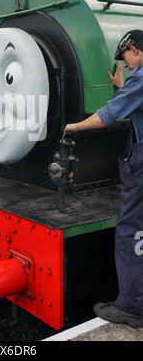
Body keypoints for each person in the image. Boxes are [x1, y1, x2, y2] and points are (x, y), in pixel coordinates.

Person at [65, 30, 143, 328]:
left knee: (132, 232)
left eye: (125, 55)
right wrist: (124, 87)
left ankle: (133, 308)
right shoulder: (137, 82)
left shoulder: (141, 78)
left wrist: (75, 126)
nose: (124, 60)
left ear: (134, 50)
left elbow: (108, 116)